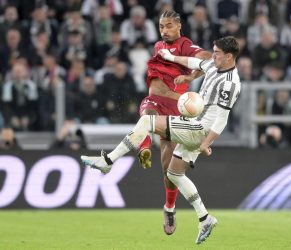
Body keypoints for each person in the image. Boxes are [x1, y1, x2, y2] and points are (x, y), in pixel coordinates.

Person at [81, 36, 242, 244]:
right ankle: (205, 218)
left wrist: (206, 143)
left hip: (199, 130)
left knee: (148, 121)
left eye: (217, 52)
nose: (213, 55)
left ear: (228, 57)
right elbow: (193, 63)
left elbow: (222, 118)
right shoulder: (213, 64)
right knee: (174, 174)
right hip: (195, 125)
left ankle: (108, 161)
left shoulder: (230, 84)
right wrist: (172, 58)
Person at [136, 10, 211, 235]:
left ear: (179, 25)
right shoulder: (159, 46)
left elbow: (207, 58)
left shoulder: (185, 45)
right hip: (155, 101)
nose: (164, 30)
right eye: (161, 26)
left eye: (169, 26)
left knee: (169, 171)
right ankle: (144, 148)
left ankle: (169, 207)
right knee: (146, 113)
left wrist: (191, 76)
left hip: (176, 109)